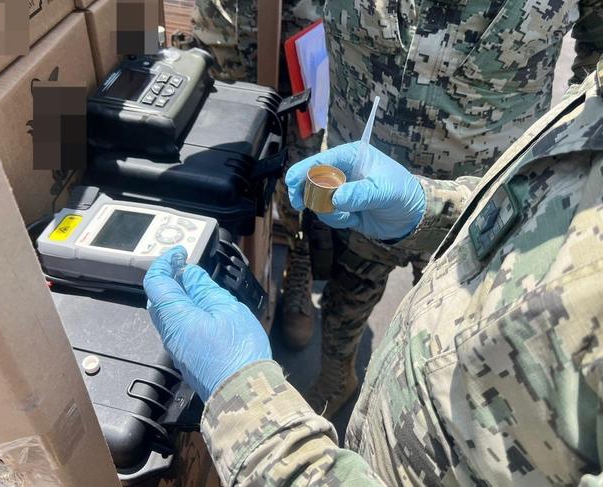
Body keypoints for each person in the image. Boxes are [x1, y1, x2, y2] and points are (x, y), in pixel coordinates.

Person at [144, 60, 603, 485]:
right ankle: (338, 380)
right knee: (346, 299)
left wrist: (248, 408)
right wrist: (435, 210)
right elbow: (553, 204)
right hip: (383, 427)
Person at [302, 0, 603, 417]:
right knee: (345, 298)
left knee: (456, 338)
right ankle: (337, 379)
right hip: (362, 186)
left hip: (489, 206)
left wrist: (567, 153)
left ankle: (418, 420)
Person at [185, 0, 325, 349]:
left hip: (303, 34)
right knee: (222, 163)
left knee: (300, 169)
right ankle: (223, 268)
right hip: (227, 32)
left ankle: (300, 257)